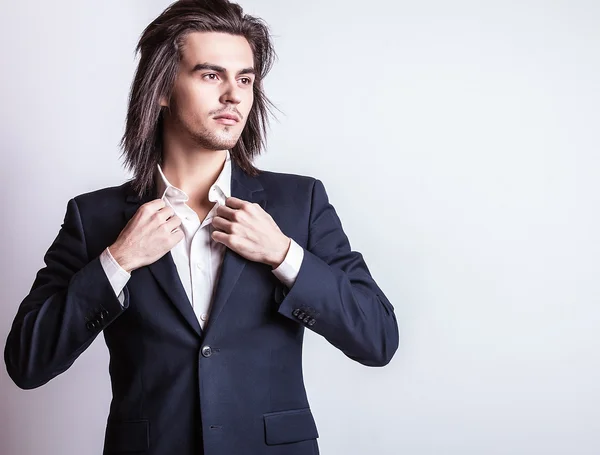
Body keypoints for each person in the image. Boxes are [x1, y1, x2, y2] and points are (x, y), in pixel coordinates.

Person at [4, 0, 399, 453]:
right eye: (211, 75)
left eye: (245, 79)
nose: (234, 94)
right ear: (163, 88)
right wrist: (118, 261)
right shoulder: (94, 218)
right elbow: (26, 362)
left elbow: (379, 339)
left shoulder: (300, 203)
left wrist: (284, 255)